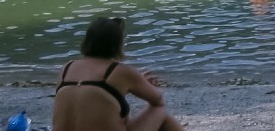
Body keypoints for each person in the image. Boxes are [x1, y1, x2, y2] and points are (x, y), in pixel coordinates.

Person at [53, 17, 184, 131]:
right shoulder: (120, 71)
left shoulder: (67, 68)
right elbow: (157, 100)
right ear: (118, 44)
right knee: (159, 111)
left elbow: (91, 97)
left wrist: (125, 88)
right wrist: (138, 84)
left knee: (118, 113)